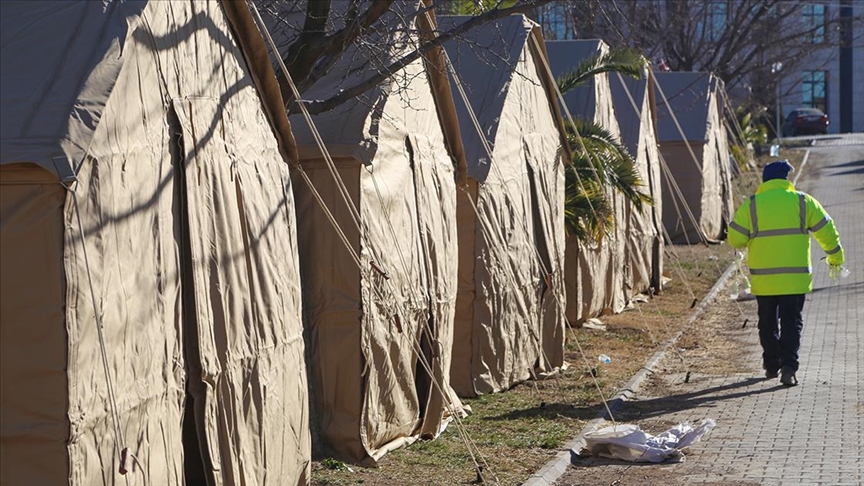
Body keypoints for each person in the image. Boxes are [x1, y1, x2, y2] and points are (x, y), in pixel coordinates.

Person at [727, 160, 844, 386]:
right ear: (786, 179)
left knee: (767, 324)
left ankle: (771, 364)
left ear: (765, 180)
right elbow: (827, 230)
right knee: (791, 323)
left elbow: (736, 238)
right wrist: (835, 258)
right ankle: (789, 367)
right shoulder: (803, 202)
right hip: (795, 279)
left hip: (765, 280)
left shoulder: (752, 205)